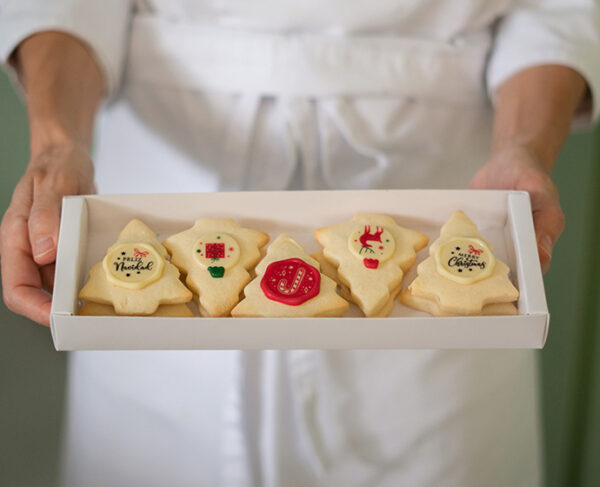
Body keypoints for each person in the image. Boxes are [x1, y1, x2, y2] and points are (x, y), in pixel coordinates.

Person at [1, 1, 598, 486]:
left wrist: (523, 144)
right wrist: (55, 142)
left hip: (442, 193)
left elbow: (559, 11)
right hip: (163, 189)